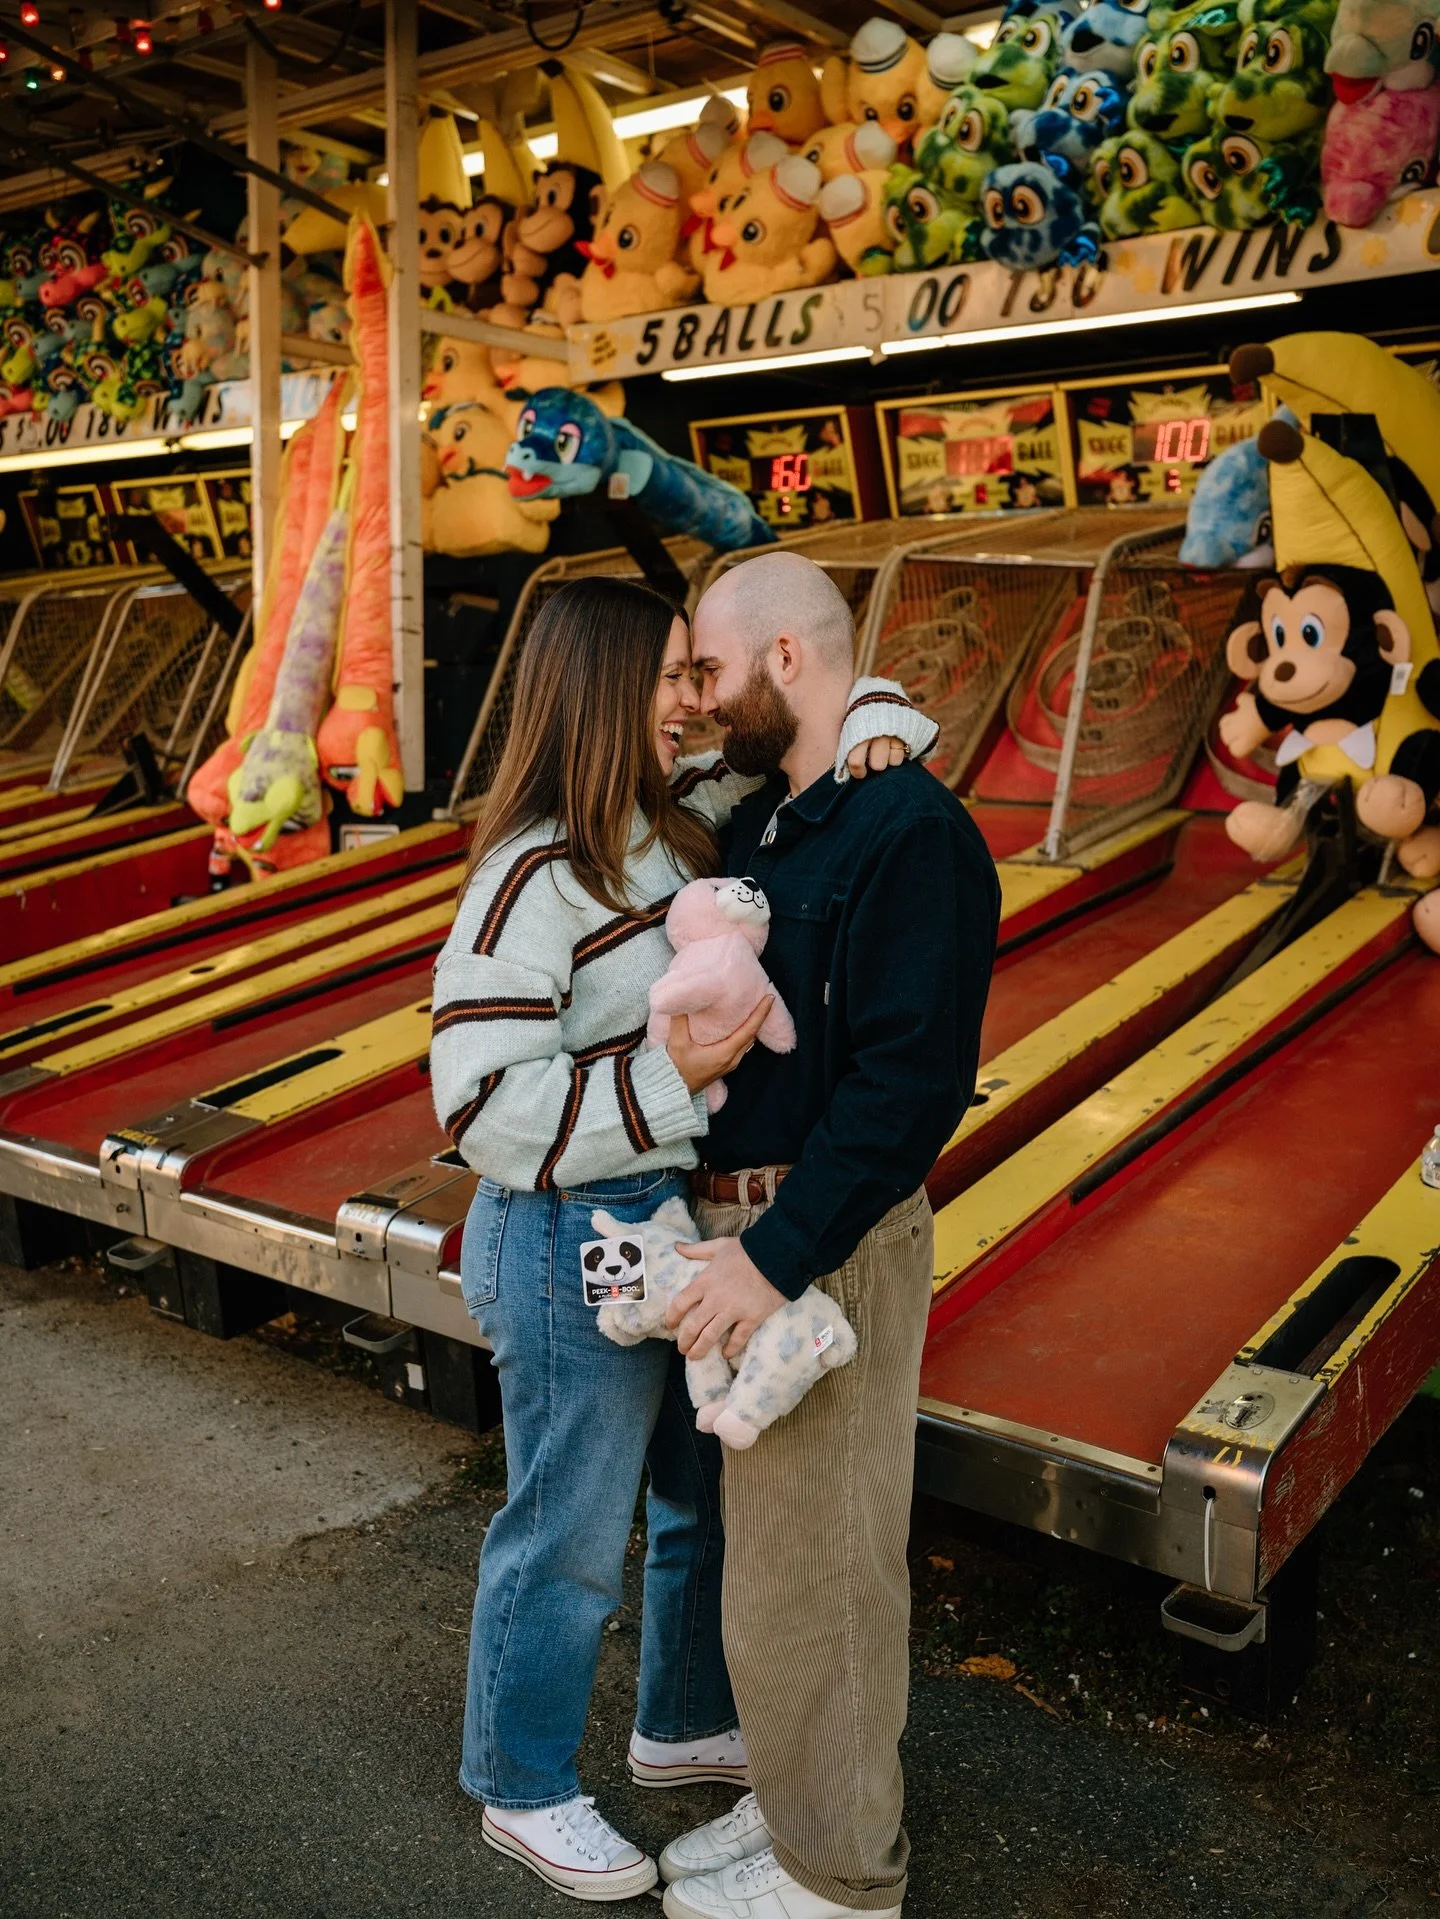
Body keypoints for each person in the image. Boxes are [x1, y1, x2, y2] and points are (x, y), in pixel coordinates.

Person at [428, 573, 938, 1904]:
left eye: (697, 671)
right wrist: (670, 1083)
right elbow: (477, 1102)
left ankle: (682, 1719)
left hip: (657, 1222)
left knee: (693, 1494)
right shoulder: (529, 872)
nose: (694, 700)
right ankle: (521, 1783)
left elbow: (803, 721)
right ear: (604, 688)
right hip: (562, 1231)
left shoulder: (681, 817)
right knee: (569, 1521)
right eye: (670, 675)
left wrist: (881, 712)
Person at [658, 552, 1000, 1919]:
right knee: (776, 1566)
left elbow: (907, 1091)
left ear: (786, 660)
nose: (697, 697)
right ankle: (800, 1803)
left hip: (823, 1243)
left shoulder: (908, 831)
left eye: (710, 669)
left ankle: (845, 1876)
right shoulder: (771, 817)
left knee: (831, 1569)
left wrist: (768, 1254)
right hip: (757, 1230)